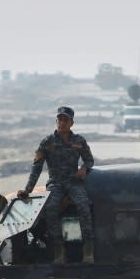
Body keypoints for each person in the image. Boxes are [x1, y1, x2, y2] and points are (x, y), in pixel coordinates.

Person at [17, 106, 94, 263]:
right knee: (51, 208)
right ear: (56, 121)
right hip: (55, 183)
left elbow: (89, 159)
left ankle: (88, 250)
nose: (62, 123)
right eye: (60, 120)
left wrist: (85, 169)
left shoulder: (79, 141)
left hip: (73, 182)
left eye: (66, 120)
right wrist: (28, 189)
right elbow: (36, 167)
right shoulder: (47, 142)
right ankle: (59, 251)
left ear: (72, 122)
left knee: (83, 205)